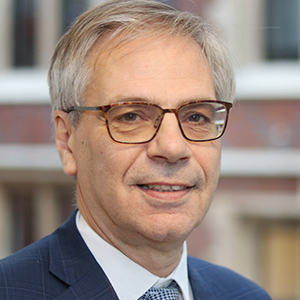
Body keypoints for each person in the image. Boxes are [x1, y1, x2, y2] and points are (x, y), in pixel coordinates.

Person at [0, 0, 271, 299]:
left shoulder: (245, 295)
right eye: (131, 116)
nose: (172, 147)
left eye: (196, 116)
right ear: (67, 140)